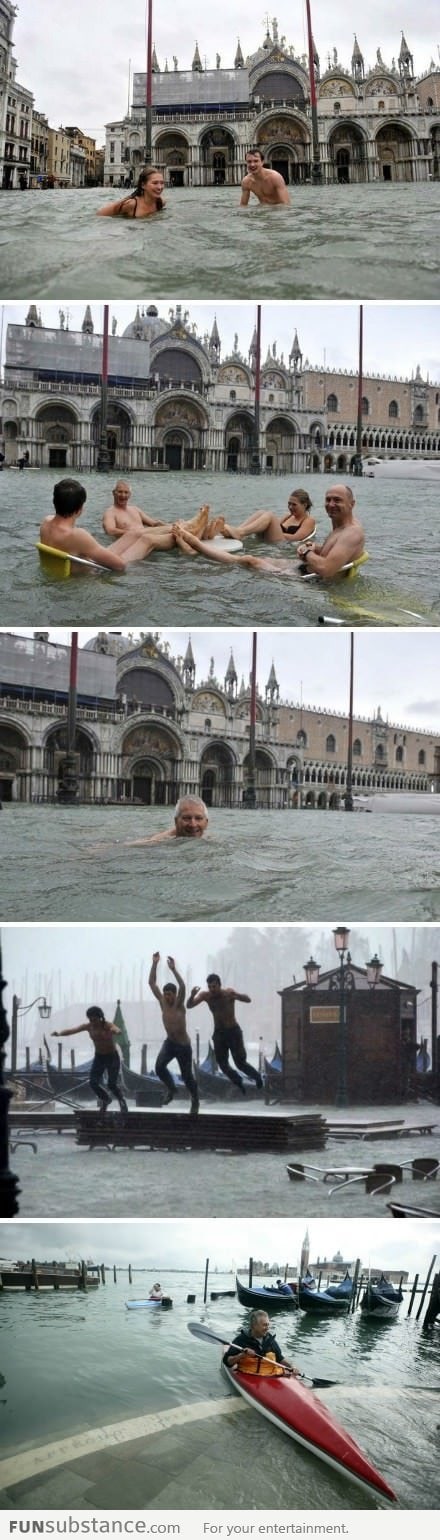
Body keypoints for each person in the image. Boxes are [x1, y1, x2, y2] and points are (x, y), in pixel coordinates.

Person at [187, 974, 263, 1094]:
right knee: (222, 1064)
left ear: (219, 985)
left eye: (214, 986)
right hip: (219, 1034)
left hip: (233, 1031)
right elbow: (189, 1005)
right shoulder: (206, 996)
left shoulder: (228, 993)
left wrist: (237, 995)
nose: (212, 989)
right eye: (210, 987)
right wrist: (192, 995)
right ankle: (238, 1081)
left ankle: (257, 1077)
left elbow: (248, 1000)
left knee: (240, 1063)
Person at [148, 952, 199, 1114]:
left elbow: (183, 986)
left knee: (187, 1076)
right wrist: (155, 963)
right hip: (170, 1043)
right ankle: (172, 1089)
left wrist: (173, 969)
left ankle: (195, 1100)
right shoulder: (163, 1002)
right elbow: (151, 983)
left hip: (183, 1046)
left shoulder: (179, 1005)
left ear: (175, 995)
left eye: (170, 995)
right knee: (159, 1067)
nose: (167, 997)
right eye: (166, 994)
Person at [51, 1006, 128, 1112]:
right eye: (90, 1019)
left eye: (95, 1019)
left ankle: (121, 1100)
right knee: (93, 1082)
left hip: (112, 1057)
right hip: (99, 1057)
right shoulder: (88, 1026)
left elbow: (115, 1028)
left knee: (111, 1084)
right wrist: (59, 1033)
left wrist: (117, 1031)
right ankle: (105, 1099)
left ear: (100, 1017)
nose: (93, 1022)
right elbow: (73, 1030)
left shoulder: (106, 1025)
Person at [297, 485, 365, 579]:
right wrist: (315, 548)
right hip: (309, 573)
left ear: (352, 504)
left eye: (337, 500)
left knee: (269, 570)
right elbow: (332, 553)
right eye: (328, 500)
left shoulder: (352, 533)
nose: (331, 504)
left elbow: (326, 569)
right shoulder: (340, 527)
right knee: (269, 562)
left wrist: (306, 552)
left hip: (314, 582)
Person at [224, 489, 316, 546]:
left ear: (304, 505)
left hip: (282, 543)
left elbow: (296, 538)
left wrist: (274, 531)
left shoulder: (309, 520)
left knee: (270, 515)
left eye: (294, 505)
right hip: (273, 538)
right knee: (261, 512)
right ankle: (236, 531)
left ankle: (240, 532)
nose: (290, 507)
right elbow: (274, 526)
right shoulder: (287, 516)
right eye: (289, 504)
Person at [223, 1310, 300, 1375]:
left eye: (268, 1325)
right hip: (248, 1374)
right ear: (254, 1326)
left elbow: (280, 1359)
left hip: (269, 1375)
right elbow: (227, 1362)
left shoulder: (270, 1341)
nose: (267, 1328)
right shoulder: (241, 1340)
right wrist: (242, 1355)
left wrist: (292, 1366)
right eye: (264, 1325)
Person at [120, 796, 209, 847]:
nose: (193, 824)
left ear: (206, 823)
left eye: (198, 818)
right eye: (186, 818)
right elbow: (126, 846)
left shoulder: (208, 838)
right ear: (176, 821)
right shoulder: (159, 841)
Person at [97, 166, 165, 218]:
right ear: (143, 185)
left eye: (162, 183)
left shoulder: (161, 202)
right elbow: (100, 214)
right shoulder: (131, 204)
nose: (160, 187)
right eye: (155, 183)